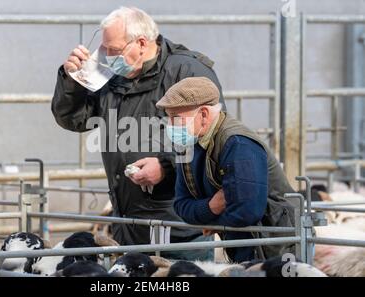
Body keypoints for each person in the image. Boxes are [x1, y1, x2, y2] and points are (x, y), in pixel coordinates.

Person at [51, 7, 225, 260]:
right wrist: (71, 81)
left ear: (142, 43)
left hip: (179, 229)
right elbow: (74, 120)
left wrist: (165, 166)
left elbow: (213, 140)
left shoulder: (187, 73)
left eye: (114, 50)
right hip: (127, 222)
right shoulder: (111, 77)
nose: (107, 57)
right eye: (104, 49)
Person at [156, 77, 297, 262]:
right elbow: (181, 205)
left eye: (176, 118)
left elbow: (247, 210)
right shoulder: (189, 145)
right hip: (243, 246)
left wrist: (214, 223)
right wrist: (212, 207)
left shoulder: (238, 144)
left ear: (204, 114)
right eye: (169, 117)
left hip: (273, 248)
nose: (170, 125)